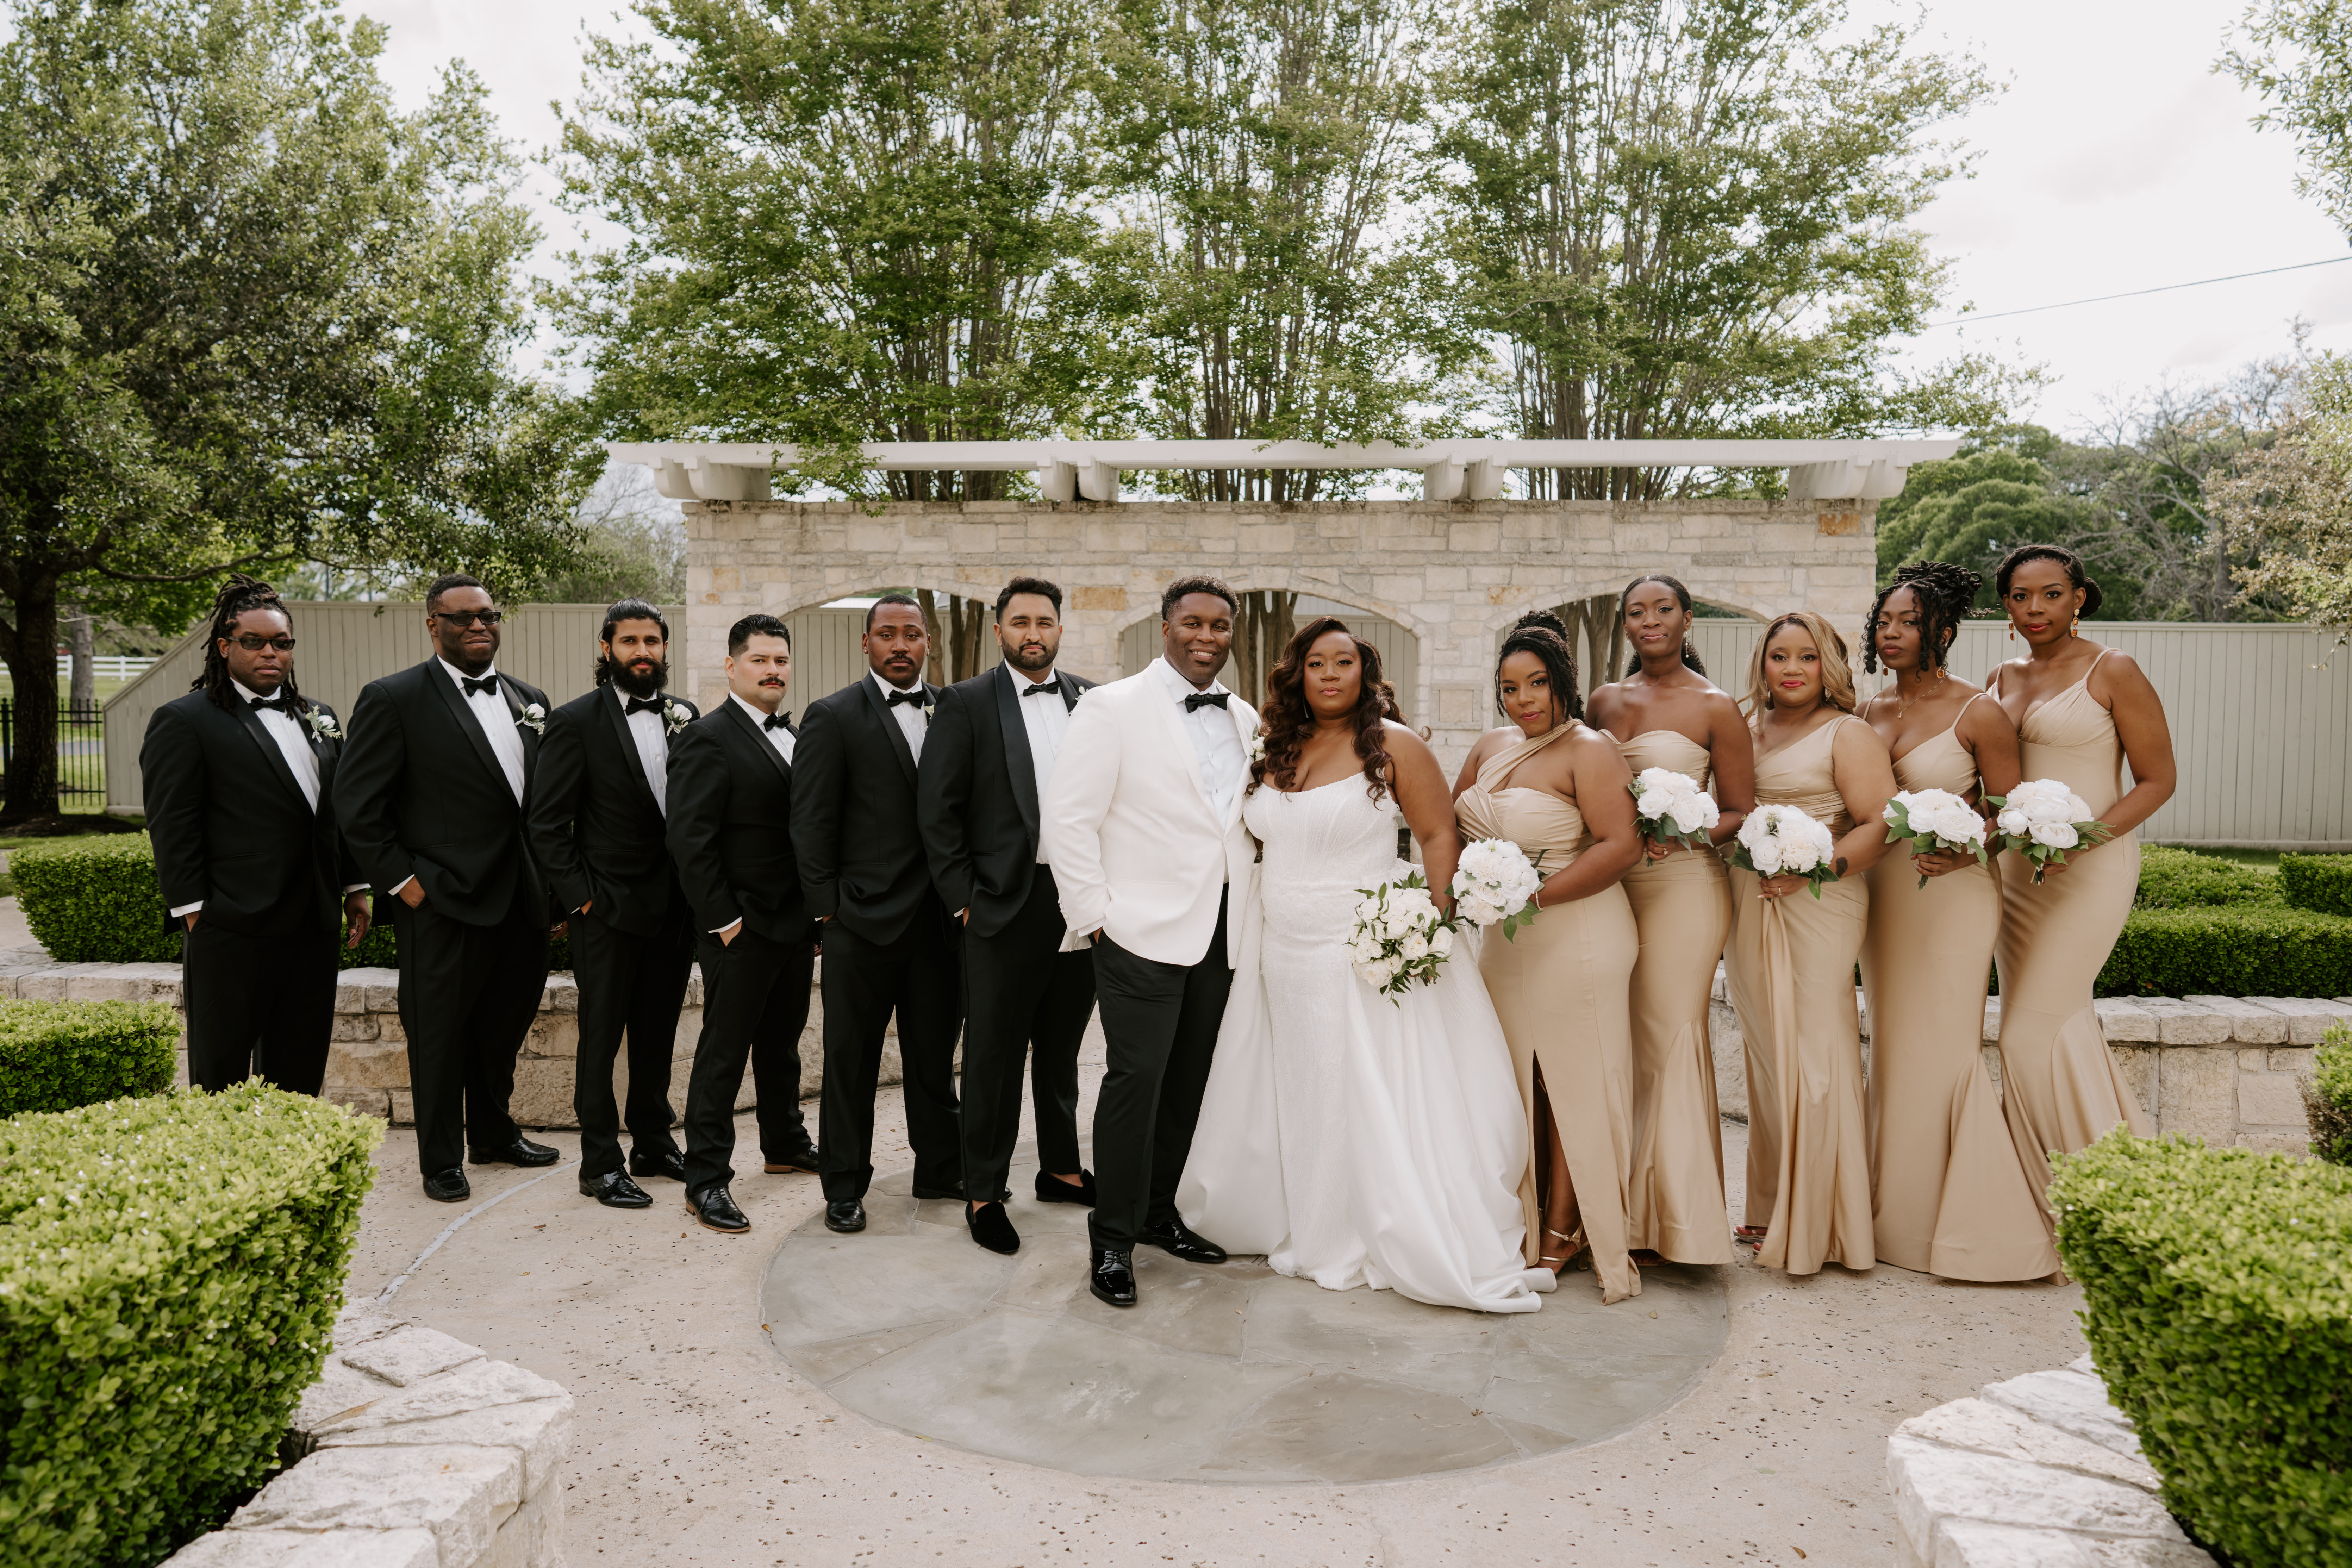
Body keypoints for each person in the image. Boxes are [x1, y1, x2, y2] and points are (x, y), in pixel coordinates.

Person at [1180, 619, 1553, 1314]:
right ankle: (1305, 1212)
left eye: (1343, 662)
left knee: (1361, 1088)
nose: (1328, 674)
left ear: (1364, 670)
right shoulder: (1273, 747)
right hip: (1280, 952)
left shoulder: (1394, 745)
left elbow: (1438, 831)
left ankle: (1358, 1228)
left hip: (1365, 951)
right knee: (1305, 1086)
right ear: (1297, 673)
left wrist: (1434, 921)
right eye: (1315, 662)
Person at [1041, 576, 1257, 1310]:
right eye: (1192, 623)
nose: (1206, 637)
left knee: (1188, 1085)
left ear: (1233, 633)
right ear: (1164, 628)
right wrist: (1095, 917)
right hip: (1136, 933)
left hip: (1222, 937)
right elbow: (1068, 820)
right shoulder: (1111, 706)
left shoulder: (1247, 718)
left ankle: (1161, 1213)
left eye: (1220, 626)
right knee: (1133, 1085)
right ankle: (1112, 1240)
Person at [1855, 564, 2057, 1281]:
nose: (1890, 631)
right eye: (1884, 619)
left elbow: (2010, 810)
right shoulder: (1867, 711)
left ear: (1941, 629)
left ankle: (1967, 1224)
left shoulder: (1979, 712)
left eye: (1906, 620)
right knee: (1891, 1043)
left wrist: (1966, 840)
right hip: (1884, 895)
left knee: (1944, 1047)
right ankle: (1887, 1218)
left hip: (1954, 895)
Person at [336, 574, 559, 1203]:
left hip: (522, 901)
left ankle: (493, 1132)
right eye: (462, 618)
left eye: (487, 615)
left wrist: (553, 891)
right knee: (437, 1034)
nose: (478, 626)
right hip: (441, 902)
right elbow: (357, 803)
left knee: (503, 1027)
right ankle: (441, 1157)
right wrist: (405, 885)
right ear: (433, 624)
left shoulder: (528, 698)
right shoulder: (393, 698)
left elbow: (537, 806)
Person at [1453, 611, 1646, 1304]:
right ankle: (1522, 1220)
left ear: (1563, 683)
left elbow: (1619, 845)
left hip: (1580, 933)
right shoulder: (1487, 746)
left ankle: (1567, 1233)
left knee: (1573, 1081)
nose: (1523, 698)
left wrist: (1532, 892)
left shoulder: (1588, 749)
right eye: (1509, 686)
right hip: (1504, 943)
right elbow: (1450, 827)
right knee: (1514, 1083)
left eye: (1536, 683)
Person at [1986, 544, 2173, 1211]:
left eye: (2051, 594)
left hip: (2090, 869)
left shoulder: (2112, 669)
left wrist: (2083, 841)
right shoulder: (2000, 677)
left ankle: (2090, 1200)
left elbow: (2158, 780)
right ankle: (2087, 1193)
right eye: (2019, 596)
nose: (2035, 608)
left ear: (2079, 598)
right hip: (2015, 874)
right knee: (2063, 1025)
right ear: (2005, 605)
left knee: (2028, 1032)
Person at [917, 577, 1099, 1257]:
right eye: (1020, 621)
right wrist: (966, 898)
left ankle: (1058, 1167)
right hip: (1001, 904)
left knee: (1061, 1050)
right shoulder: (964, 703)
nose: (1034, 631)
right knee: (993, 1057)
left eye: (1045, 620)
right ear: (999, 630)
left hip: (1080, 902)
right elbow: (937, 813)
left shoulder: (1092, 700)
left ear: (1060, 627)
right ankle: (985, 1191)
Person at [140, 575, 370, 1095]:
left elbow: (338, 810)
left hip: (313, 926)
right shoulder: (184, 720)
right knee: (221, 1073)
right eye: (255, 642)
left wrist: (355, 888)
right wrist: (197, 914)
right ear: (225, 647)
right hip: (232, 928)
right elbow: (172, 823)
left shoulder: (321, 717)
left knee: (299, 1067)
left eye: (282, 643)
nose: (271, 652)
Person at [1586, 576, 1752, 1269]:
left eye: (1662, 610)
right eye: (1636, 612)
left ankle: (1680, 1223)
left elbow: (1740, 810)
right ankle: (1616, 1212)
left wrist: (1687, 834)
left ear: (1687, 619)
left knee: (1669, 1033)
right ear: (1624, 625)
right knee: (1616, 1039)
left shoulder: (1716, 708)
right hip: (1611, 885)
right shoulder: (1602, 701)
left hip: (1685, 884)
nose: (1649, 622)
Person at [1723, 611, 1895, 1275]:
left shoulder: (1847, 733)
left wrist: (1815, 871)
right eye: (1778, 656)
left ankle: (1824, 1217)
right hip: (1749, 899)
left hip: (1822, 897)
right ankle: (1771, 1204)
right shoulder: (1745, 730)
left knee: (1816, 1047)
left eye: (1806, 656)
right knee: (1767, 1050)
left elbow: (1883, 822)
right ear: (1761, 665)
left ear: (1831, 665)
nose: (1791, 669)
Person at [791, 593, 963, 1236]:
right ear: (866, 643)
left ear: (927, 643)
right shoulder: (832, 716)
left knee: (932, 1059)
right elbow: (810, 822)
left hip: (940, 926)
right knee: (851, 1061)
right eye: (887, 634)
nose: (900, 645)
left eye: (912, 634)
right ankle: (844, 1184)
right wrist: (827, 913)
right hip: (859, 926)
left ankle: (940, 1168)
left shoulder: (955, 709)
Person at [526, 599, 704, 1212]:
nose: (643, 652)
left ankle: (654, 1141)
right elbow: (547, 825)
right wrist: (582, 899)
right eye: (630, 641)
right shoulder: (575, 722)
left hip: (675, 909)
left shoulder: (687, 716)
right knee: (600, 1040)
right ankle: (600, 1162)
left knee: (657, 1033)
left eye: (652, 641)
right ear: (607, 648)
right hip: (606, 910)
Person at [666, 614, 825, 1235]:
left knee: (782, 1045)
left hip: (792, 925)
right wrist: (724, 921)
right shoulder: (707, 738)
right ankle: (705, 1178)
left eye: (781, 660)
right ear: (732, 667)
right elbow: (690, 839)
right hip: (741, 927)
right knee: (723, 1054)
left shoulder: (797, 734)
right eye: (760, 660)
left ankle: (784, 1142)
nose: (773, 671)